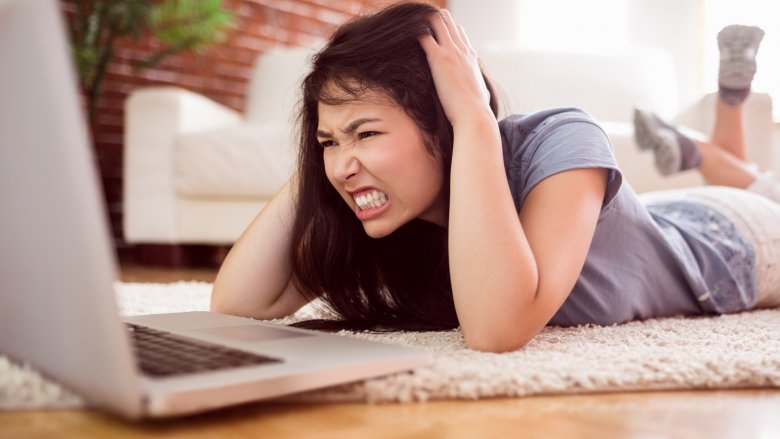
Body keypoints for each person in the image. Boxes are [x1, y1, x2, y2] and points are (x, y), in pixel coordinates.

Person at [211, 2, 779, 353]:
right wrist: (323, 154)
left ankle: (723, 113)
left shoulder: (562, 139)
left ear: (445, 117)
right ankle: (699, 149)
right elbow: (237, 308)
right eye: (329, 142)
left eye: (366, 133)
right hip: (661, 219)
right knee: (746, 176)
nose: (341, 165)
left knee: (759, 184)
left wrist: (473, 119)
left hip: (733, 243)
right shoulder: (385, 209)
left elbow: (496, 330)